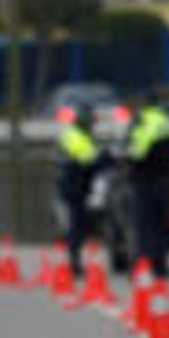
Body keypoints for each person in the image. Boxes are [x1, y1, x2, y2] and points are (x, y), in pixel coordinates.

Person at [126, 91, 169, 277]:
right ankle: (161, 267)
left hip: (144, 181)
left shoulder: (142, 123)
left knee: (144, 227)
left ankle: (145, 267)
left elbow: (136, 154)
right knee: (160, 226)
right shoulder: (168, 122)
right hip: (164, 181)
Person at [57, 104, 111, 277]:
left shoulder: (80, 135)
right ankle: (75, 263)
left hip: (78, 185)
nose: (92, 126)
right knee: (77, 226)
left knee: (81, 225)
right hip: (75, 186)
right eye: (91, 123)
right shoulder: (74, 136)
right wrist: (104, 158)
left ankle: (77, 262)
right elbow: (88, 159)